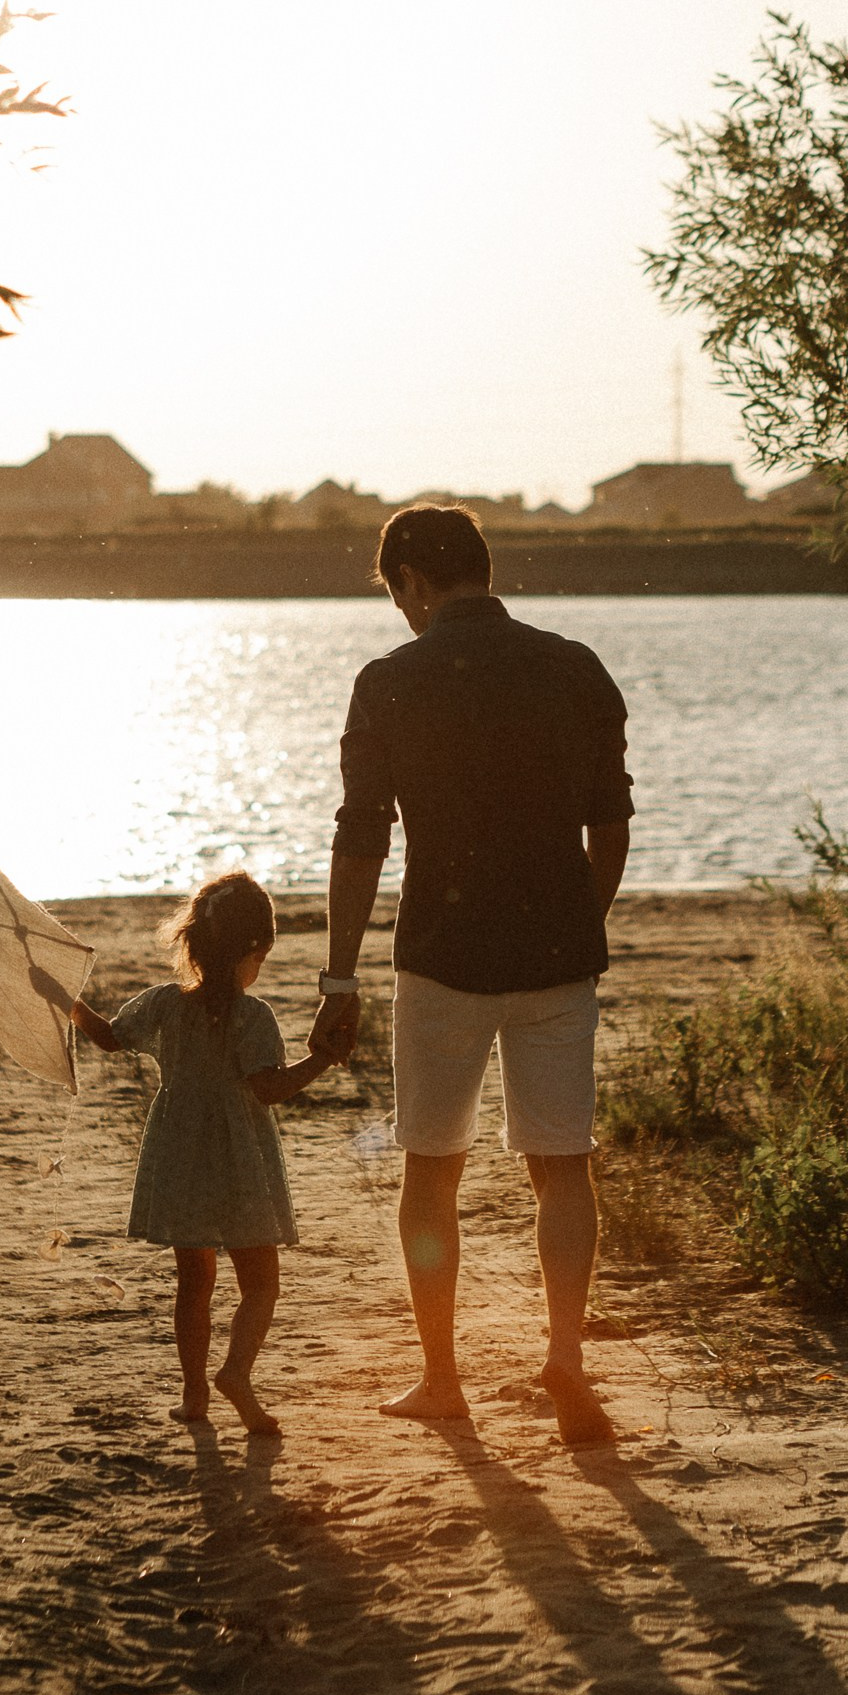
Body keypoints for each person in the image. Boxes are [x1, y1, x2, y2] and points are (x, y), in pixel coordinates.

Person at [310, 506, 632, 1445]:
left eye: (393, 590)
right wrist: (581, 918)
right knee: (560, 1166)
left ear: (410, 579)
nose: (399, 608)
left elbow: (361, 836)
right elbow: (608, 824)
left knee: (431, 1170)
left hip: (441, 958)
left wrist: (339, 977)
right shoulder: (574, 667)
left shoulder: (388, 683)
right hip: (558, 956)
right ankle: (564, 1358)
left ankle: (442, 1377)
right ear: (482, 571)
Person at [71, 871, 345, 1435]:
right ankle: (236, 1373)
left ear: (193, 946)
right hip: (240, 1161)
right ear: (251, 953)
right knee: (260, 1282)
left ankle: (194, 1393)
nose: (260, 970)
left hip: (181, 1155)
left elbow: (107, 1037)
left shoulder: (165, 1005)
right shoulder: (253, 1016)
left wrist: (65, 1000)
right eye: (261, 958)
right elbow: (267, 1088)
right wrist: (322, 1061)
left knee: (194, 1282)